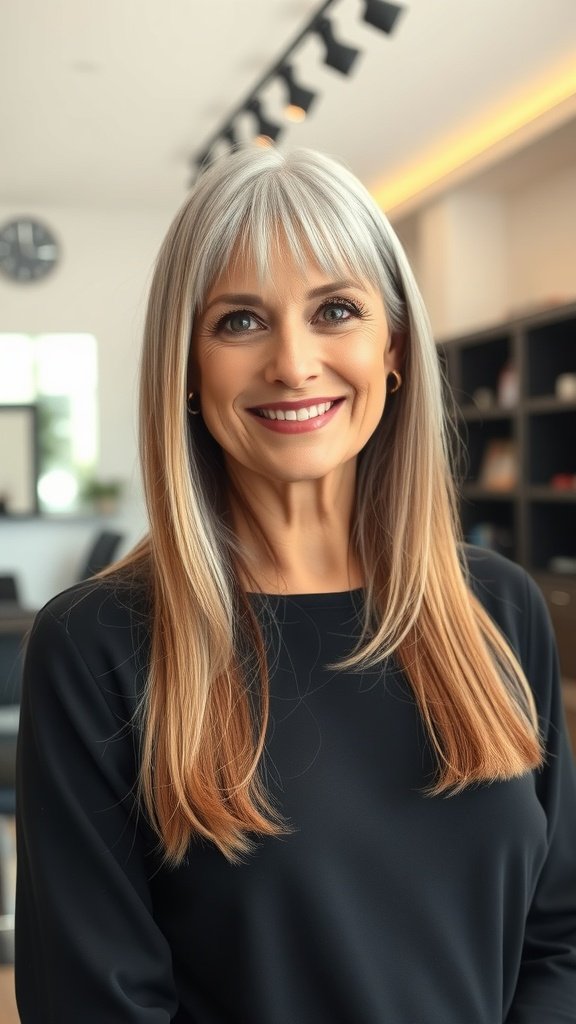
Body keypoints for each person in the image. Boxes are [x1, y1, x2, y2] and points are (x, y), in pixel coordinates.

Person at [15, 145, 576, 1024]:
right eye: (240, 321)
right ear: (186, 367)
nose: (293, 362)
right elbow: (97, 1003)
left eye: (335, 311)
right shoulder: (98, 645)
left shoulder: (499, 607)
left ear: (393, 347)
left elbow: (558, 940)